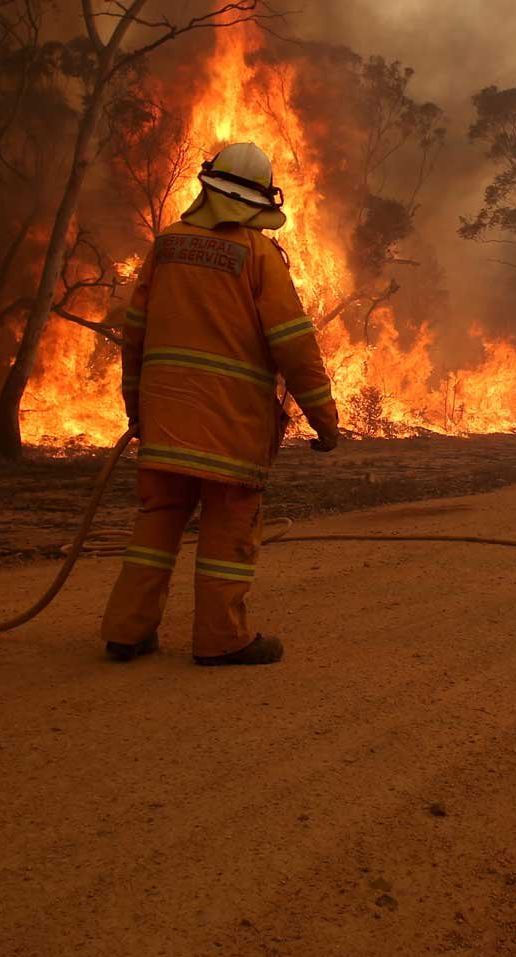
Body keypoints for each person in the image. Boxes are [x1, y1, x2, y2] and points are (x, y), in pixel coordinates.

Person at [101, 143, 342, 666]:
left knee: (156, 525)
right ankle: (220, 639)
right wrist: (325, 420)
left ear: (208, 188)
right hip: (232, 431)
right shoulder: (256, 255)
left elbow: (135, 334)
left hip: (165, 422)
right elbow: (294, 344)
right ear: (257, 202)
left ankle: (126, 631)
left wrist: (136, 407)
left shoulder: (165, 246)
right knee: (229, 531)